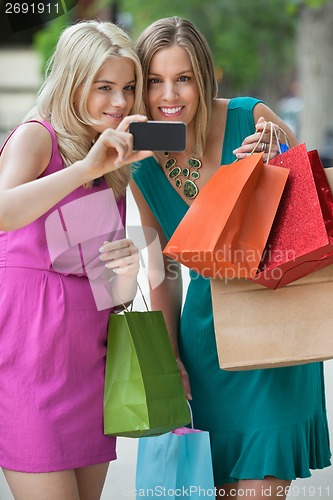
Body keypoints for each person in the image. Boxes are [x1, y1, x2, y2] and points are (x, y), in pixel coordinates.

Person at [128, 16, 331, 499]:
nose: (168, 95)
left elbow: (312, 209)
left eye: (183, 78)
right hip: (208, 342)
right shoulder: (141, 162)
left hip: (278, 329)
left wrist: (277, 158)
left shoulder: (250, 115)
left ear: (203, 76)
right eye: (155, 80)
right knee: (222, 490)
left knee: (262, 490)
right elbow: (161, 271)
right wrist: (169, 355)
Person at [0, 20, 152, 500]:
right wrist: (87, 169)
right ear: (72, 82)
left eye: (128, 88)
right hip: (27, 372)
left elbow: (108, 288)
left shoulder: (109, 166)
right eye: (104, 87)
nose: (120, 102)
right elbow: (3, 212)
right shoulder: (37, 138)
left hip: (87, 370)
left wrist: (127, 271)